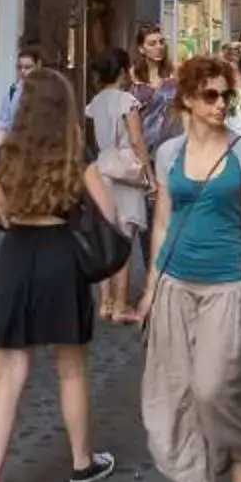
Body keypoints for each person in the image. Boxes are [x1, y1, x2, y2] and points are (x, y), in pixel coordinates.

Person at [0, 68, 120, 482]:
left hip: (16, 258)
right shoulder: (75, 151)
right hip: (59, 257)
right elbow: (108, 211)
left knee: (7, 376)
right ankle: (81, 462)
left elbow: (3, 208)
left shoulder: (5, 153)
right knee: (70, 367)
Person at [143, 53, 241, 482]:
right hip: (176, 280)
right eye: (211, 96)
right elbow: (162, 222)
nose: (221, 104)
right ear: (188, 101)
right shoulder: (168, 154)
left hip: (227, 280)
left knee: (213, 385)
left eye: (226, 95)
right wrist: (150, 285)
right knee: (179, 391)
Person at [86, 47, 153, 323]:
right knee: (124, 238)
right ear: (124, 72)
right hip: (125, 172)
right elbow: (137, 140)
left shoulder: (95, 102)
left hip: (103, 167)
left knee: (105, 237)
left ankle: (105, 302)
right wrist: (149, 173)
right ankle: (121, 305)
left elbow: (91, 138)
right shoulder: (128, 101)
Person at [128, 23, 177, 155]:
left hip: (172, 147)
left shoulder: (174, 74)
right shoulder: (132, 77)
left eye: (161, 42)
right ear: (141, 49)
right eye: (152, 43)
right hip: (144, 147)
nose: (159, 47)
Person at [0, 43, 38, 141]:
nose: (23, 71)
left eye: (28, 67)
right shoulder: (12, 92)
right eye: (20, 67)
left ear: (37, 67)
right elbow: (3, 126)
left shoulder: (45, 92)